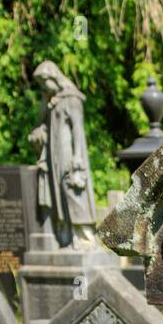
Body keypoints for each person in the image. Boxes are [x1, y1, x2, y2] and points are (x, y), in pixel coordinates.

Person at [29, 61, 97, 246]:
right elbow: (41, 123)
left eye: (44, 83)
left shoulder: (72, 99)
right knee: (58, 192)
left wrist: (77, 156)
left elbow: (77, 130)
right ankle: (67, 236)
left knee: (73, 191)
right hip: (55, 155)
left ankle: (84, 236)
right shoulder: (54, 102)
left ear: (54, 77)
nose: (43, 88)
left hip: (68, 154)